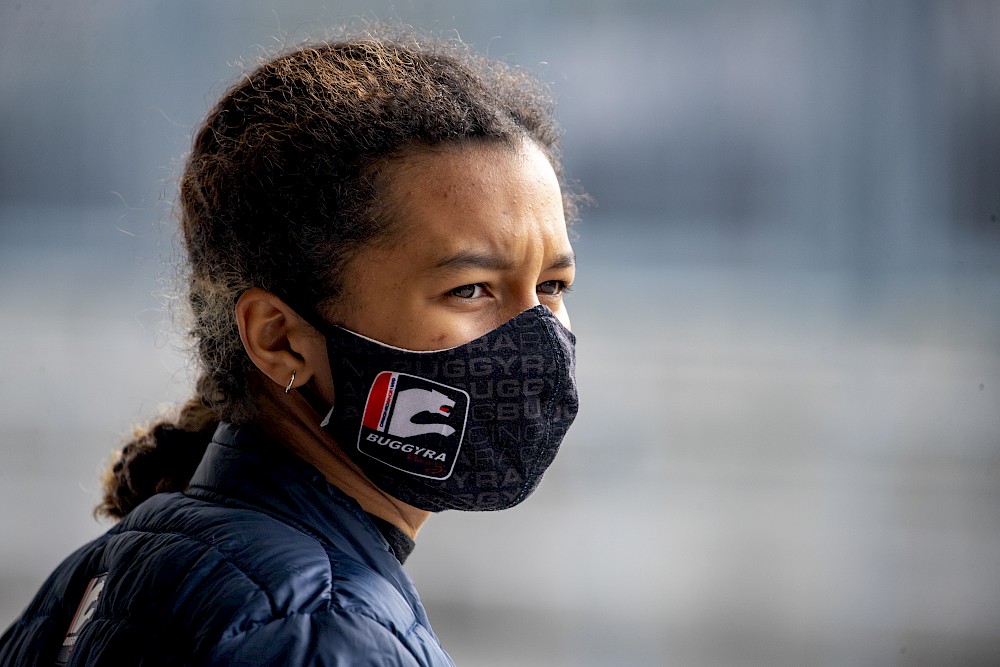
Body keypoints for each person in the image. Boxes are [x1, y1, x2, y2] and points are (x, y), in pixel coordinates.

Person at [0, 31, 580, 666]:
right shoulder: (324, 628)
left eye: (552, 286)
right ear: (279, 338)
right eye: (469, 289)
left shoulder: (87, 583)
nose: (537, 340)